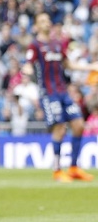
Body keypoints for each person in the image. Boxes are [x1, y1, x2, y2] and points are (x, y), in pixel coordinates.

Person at [26, 13, 96, 182]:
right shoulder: (34, 45)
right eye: (41, 20)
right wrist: (26, 75)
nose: (46, 23)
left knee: (79, 125)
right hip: (48, 93)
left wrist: (90, 67)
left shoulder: (57, 44)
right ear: (36, 25)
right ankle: (57, 170)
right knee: (60, 128)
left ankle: (73, 167)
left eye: (47, 20)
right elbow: (28, 64)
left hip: (63, 92)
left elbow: (68, 64)